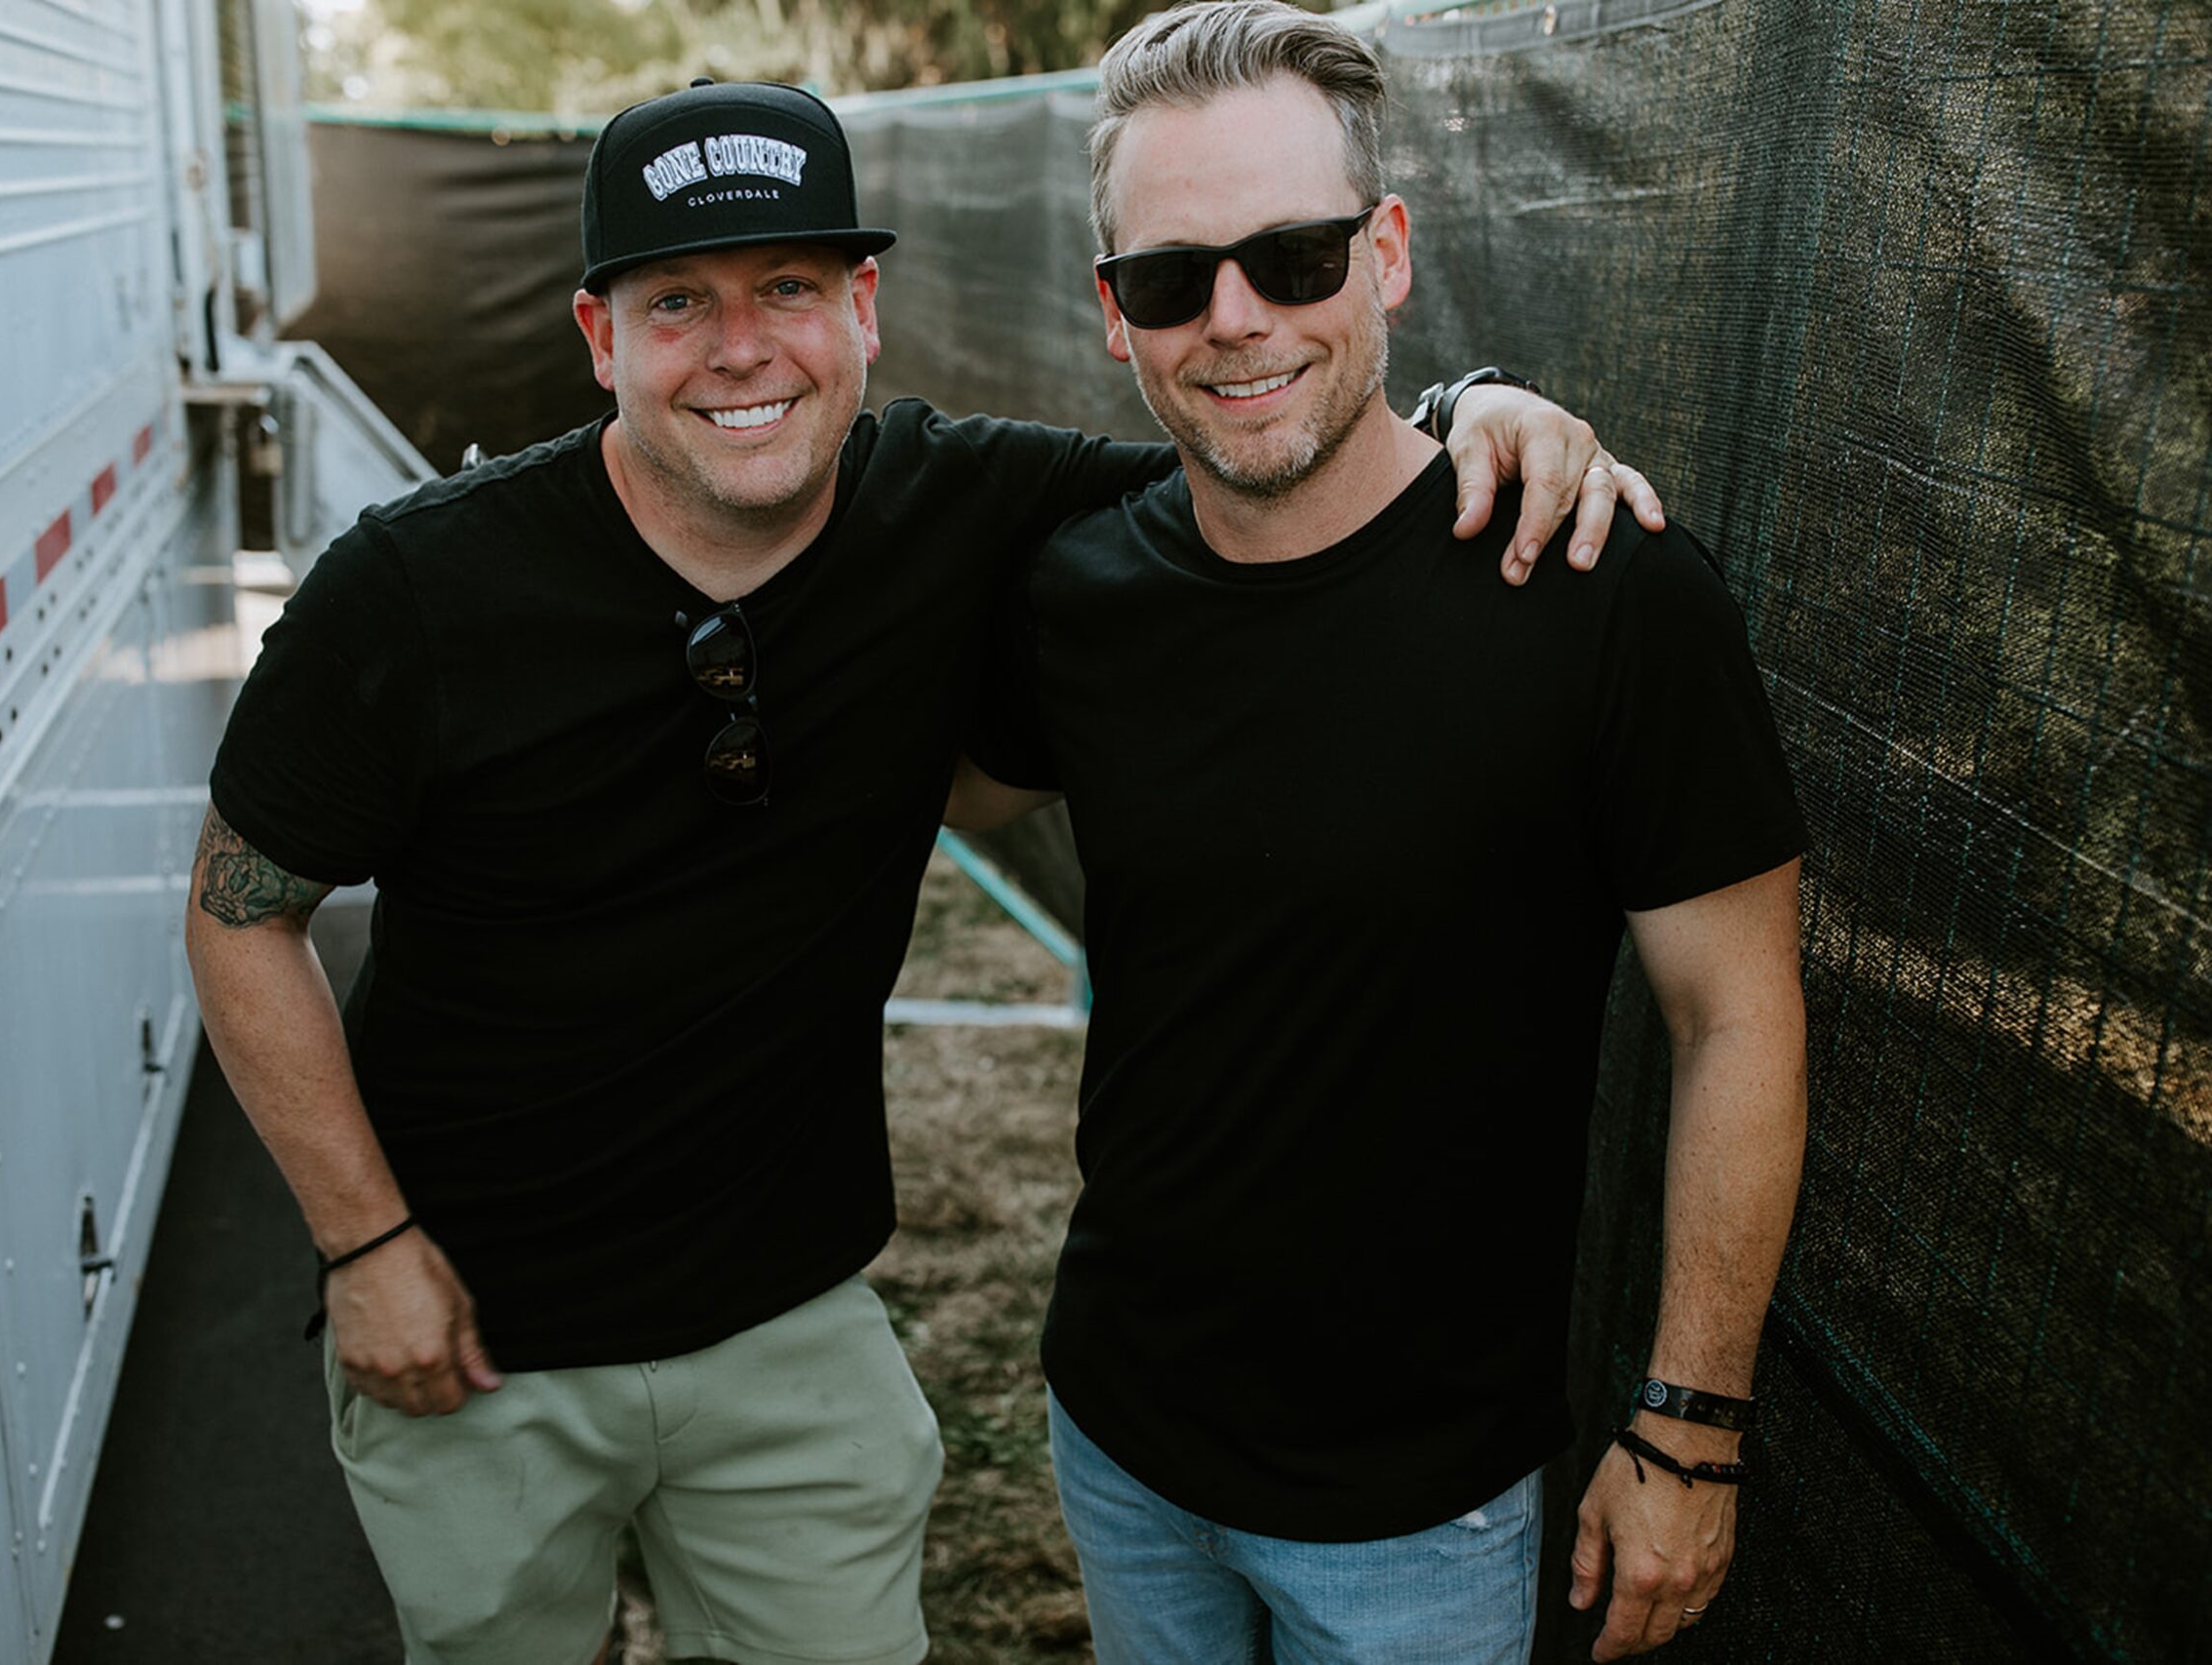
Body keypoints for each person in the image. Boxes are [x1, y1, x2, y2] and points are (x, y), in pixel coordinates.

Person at [184, 74, 1661, 1665]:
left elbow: (1274, 448)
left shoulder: (961, 503)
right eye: (678, 301)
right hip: (471, 1334)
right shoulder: (410, 593)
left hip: (788, 1329)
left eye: (791, 290)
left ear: (864, 309)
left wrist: (1470, 407)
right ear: (599, 336)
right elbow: (238, 921)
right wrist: (365, 1245)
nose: (743, 347)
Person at [949, 6, 1810, 1661]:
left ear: (1388, 253)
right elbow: (951, 782)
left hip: (1422, 1513)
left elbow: (1739, 1012)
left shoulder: (1600, 595)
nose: (1236, 318)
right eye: (1170, 278)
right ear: (1109, 309)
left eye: (1293, 254)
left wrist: (1690, 1427)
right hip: (1119, 1439)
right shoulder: (1078, 596)